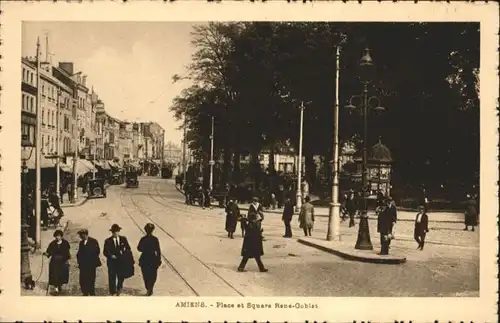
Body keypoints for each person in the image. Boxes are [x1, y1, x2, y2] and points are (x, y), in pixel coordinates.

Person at [103, 224, 134, 296]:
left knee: (121, 276)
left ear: (119, 231)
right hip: (112, 262)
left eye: (117, 231)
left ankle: (119, 288)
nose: (116, 233)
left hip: (121, 262)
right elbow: (105, 252)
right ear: (112, 232)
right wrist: (111, 255)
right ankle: (112, 291)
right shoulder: (107, 241)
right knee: (112, 277)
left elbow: (128, 248)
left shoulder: (123, 239)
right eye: (114, 232)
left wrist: (124, 252)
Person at [238, 205, 268, 273]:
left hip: (250, 244)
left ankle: (261, 268)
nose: (257, 219)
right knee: (253, 256)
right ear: (254, 219)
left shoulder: (250, 224)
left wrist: (243, 220)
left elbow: (259, 221)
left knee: (253, 257)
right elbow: (256, 231)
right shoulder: (254, 225)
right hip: (253, 243)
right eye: (256, 218)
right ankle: (241, 267)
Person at [43, 229, 70, 294]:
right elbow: (48, 252)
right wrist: (46, 253)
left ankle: (59, 285)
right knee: (55, 275)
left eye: (59, 236)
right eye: (56, 236)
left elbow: (67, 253)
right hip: (54, 263)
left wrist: (67, 260)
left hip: (62, 262)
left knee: (62, 275)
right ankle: (56, 289)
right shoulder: (52, 243)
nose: (57, 237)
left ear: (61, 236)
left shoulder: (65, 243)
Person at [137, 223, 162, 296]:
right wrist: (158, 259)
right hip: (152, 259)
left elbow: (139, 248)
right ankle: (150, 288)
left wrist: (144, 249)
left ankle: (149, 288)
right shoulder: (154, 239)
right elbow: (158, 250)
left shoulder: (144, 239)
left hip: (145, 259)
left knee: (147, 275)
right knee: (151, 275)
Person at [76, 229, 101, 296]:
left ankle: (92, 293)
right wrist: (79, 260)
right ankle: (85, 293)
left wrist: (89, 259)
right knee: (82, 280)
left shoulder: (93, 241)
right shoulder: (81, 242)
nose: (80, 237)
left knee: (91, 279)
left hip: (91, 265)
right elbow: (79, 252)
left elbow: (97, 251)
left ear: (85, 234)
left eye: (81, 235)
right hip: (83, 265)